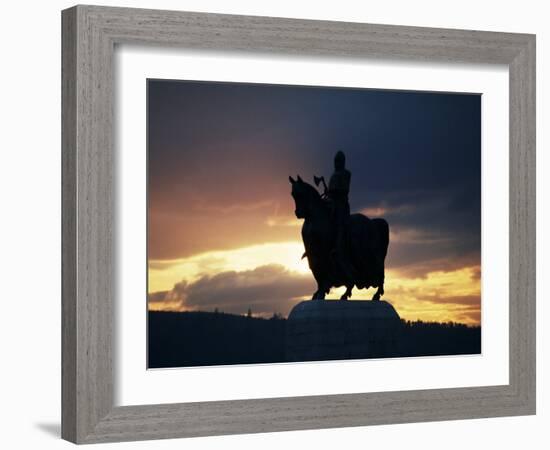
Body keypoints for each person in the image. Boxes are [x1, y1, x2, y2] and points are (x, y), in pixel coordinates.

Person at [327, 150, 355, 283]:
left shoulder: (346, 174)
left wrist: (332, 192)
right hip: (332, 203)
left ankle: (339, 246)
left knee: (339, 224)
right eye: (335, 161)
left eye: (338, 161)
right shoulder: (333, 175)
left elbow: (343, 190)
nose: (336, 163)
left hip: (341, 206)